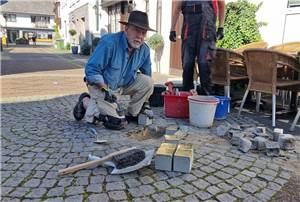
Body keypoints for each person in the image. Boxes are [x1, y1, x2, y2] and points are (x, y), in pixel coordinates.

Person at [73, 10, 155, 130]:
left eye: (143, 33)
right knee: (115, 122)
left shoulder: (144, 50)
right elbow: (92, 70)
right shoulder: (109, 43)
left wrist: (145, 103)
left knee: (148, 82)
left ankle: (131, 114)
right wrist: (104, 89)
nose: (140, 36)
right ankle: (85, 102)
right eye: (136, 30)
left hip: (124, 84)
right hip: (101, 86)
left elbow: (147, 75)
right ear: (126, 29)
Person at [169, 0, 225, 95]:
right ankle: (186, 97)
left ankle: (207, 99)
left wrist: (221, 27)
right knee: (187, 65)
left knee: (205, 65)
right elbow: (177, 7)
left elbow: (222, 4)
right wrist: (172, 29)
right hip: (189, 32)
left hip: (207, 31)